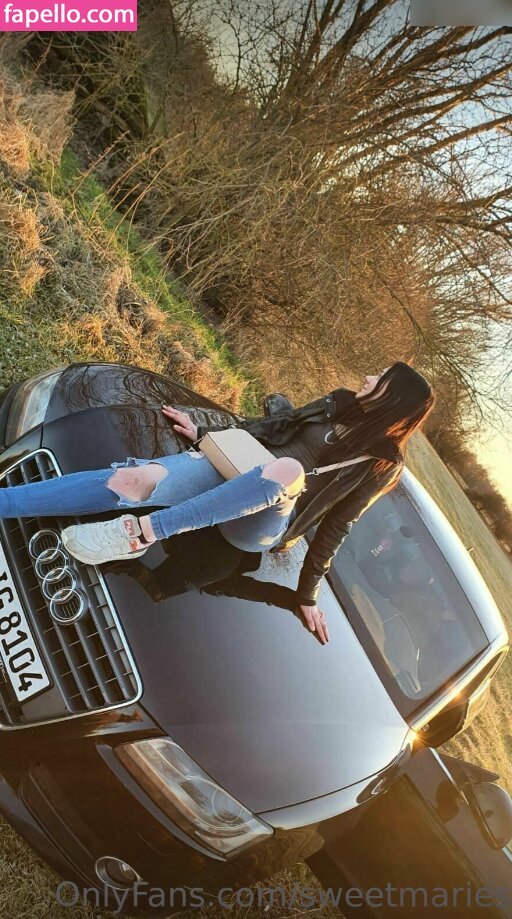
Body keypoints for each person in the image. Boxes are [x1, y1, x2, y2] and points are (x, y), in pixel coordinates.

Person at [0, 362, 435, 645]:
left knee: (287, 470)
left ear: (393, 397)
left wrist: (306, 594)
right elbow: (273, 427)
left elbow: (338, 525)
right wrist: (206, 435)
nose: (368, 376)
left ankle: (139, 532)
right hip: (237, 471)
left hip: (265, 522)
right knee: (132, 479)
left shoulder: (382, 463)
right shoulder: (337, 403)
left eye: (380, 377)